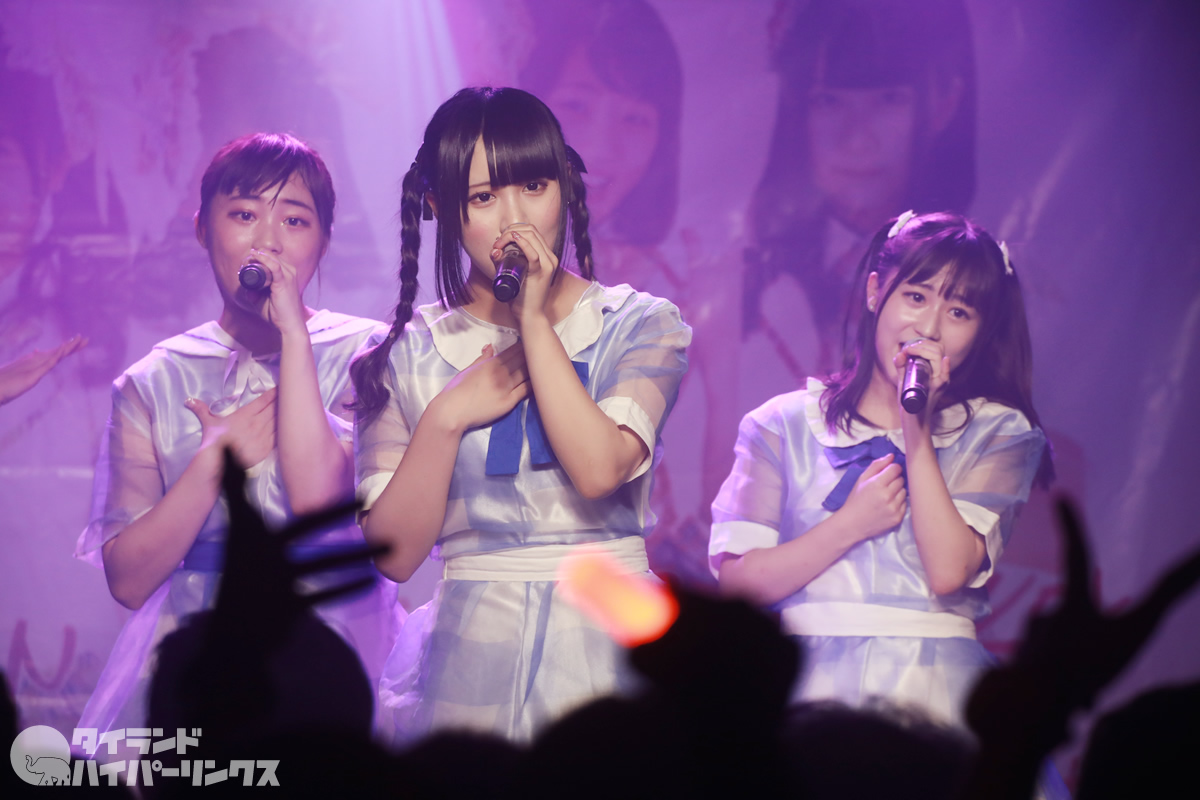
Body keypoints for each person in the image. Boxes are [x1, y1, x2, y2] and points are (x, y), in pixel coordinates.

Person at [351, 87, 690, 744]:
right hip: (471, 648)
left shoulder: (641, 325)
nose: (515, 221)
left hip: (612, 633)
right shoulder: (403, 356)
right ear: (439, 207)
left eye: (534, 186)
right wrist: (446, 416)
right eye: (483, 198)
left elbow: (600, 471)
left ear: (564, 185)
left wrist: (533, 319)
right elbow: (395, 555)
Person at [74, 133, 398, 739]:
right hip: (197, 655)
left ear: (324, 241)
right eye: (244, 215)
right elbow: (128, 581)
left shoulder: (370, 355)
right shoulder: (152, 381)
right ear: (203, 229)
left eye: (294, 220)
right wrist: (211, 465)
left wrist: (294, 337)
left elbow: (320, 501)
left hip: (340, 642)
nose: (267, 241)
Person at [710, 211, 1051, 730]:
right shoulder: (782, 425)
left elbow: (948, 572)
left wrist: (917, 429)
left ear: (980, 332)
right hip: (801, 685)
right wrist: (849, 525)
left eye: (958, 312)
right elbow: (738, 589)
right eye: (915, 296)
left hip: (933, 687)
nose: (928, 327)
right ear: (875, 293)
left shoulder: (999, 432)